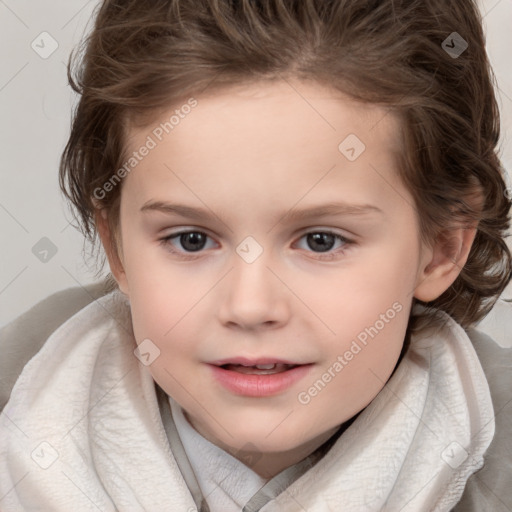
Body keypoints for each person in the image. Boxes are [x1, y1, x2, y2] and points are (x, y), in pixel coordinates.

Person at [1, 0, 511, 510]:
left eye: (321, 241)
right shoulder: (18, 409)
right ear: (117, 247)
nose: (249, 306)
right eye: (191, 239)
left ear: (442, 246)